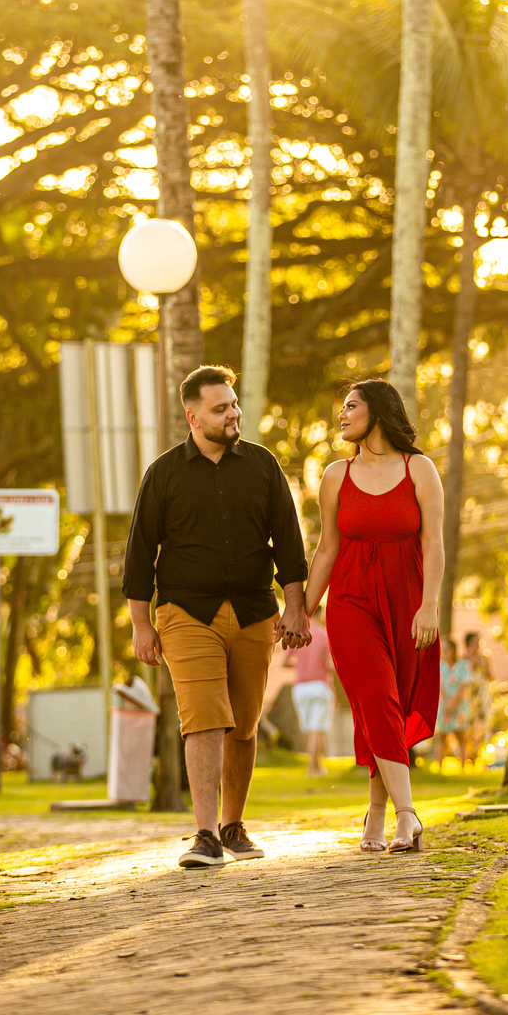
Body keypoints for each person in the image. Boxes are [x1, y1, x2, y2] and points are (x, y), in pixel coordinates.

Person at [123, 365, 310, 871]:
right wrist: (142, 624)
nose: (233, 413)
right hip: (186, 611)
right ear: (193, 416)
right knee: (204, 718)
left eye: (234, 404)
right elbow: (140, 552)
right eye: (220, 407)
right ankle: (204, 834)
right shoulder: (164, 473)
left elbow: (289, 542)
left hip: (253, 610)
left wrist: (295, 605)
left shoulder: (263, 465)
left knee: (243, 727)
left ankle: (233, 824)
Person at [304, 378, 444, 855]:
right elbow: (326, 549)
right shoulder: (335, 476)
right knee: (376, 696)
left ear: (378, 412)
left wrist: (430, 604)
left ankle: (377, 814)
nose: (341, 415)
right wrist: (301, 611)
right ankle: (408, 815)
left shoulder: (418, 468)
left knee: (390, 706)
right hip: (350, 601)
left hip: (408, 600)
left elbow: (434, 544)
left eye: (350, 406)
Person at [286, 607, 335, 778]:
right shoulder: (324, 635)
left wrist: (300, 665)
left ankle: (318, 765)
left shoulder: (298, 634)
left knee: (309, 730)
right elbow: (332, 663)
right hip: (320, 686)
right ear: (320, 615)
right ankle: (312, 768)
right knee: (317, 728)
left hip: (300, 688)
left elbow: (285, 662)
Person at [433, 637, 472, 770]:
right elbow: (439, 685)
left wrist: (454, 702)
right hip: (444, 705)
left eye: (447, 650)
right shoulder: (439, 666)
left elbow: (464, 684)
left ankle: (462, 766)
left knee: (460, 736)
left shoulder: (463, 665)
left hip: (459, 705)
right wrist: (447, 702)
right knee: (441, 736)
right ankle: (439, 766)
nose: (444, 652)